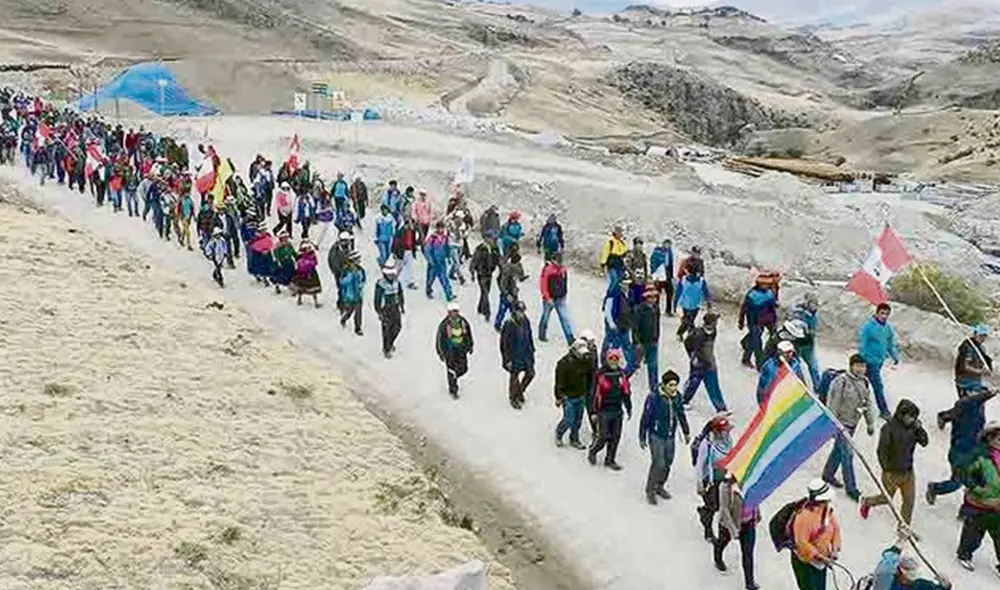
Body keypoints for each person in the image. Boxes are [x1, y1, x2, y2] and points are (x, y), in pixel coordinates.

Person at [861, 399, 929, 526]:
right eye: (911, 416)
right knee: (886, 499)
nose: (913, 420)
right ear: (902, 414)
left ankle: (904, 528)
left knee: (909, 502)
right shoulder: (888, 429)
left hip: (908, 472)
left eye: (915, 417)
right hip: (892, 473)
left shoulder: (914, 428)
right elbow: (881, 452)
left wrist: (920, 430)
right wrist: (886, 470)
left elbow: (924, 442)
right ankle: (867, 502)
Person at [929, 387, 997, 504]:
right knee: (957, 482)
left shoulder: (978, 407)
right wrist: (991, 393)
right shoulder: (964, 404)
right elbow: (974, 400)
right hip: (959, 452)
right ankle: (935, 488)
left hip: (973, 450)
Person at [821, 354, 875, 501]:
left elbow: (867, 404)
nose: (861, 369)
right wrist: (832, 425)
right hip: (841, 424)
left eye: (863, 366)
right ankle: (852, 489)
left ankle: (828, 474)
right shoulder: (841, 382)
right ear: (851, 366)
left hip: (853, 423)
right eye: (858, 365)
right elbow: (833, 403)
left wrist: (870, 423)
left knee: (839, 450)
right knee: (848, 455)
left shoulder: (865, 382)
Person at [955, 420, 1000, 573]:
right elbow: (962, 471)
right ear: (989, 438)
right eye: (998, 439)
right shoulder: (979, 455)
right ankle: (964, 555)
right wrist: (977, 488)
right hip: (979, 504)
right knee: (973, 532)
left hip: (997, 504)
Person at [639, 370, 690, 504]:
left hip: (670, 435)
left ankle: (660, 485)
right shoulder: (654, 397)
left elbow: (681, 414)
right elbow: (646, 416)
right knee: (658, 463)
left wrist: (686, 431)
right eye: (671, 385)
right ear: (664, 384)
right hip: (656, 435)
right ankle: (650, 490)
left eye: (675, 385)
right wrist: (642, 435)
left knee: (668, 462)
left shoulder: (677, 397)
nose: (673, 388)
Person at [791, 480, 842, 590]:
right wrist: (818, 556)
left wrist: (834, 549)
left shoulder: (826, 510)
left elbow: (835, 529)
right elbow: (801, 542)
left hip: (821, 562)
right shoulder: (804, 517)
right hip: (806, 563)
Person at [588, 348, 633, 471]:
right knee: (603, 436)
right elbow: (593, 394)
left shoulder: (621, 374)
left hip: (617, 410)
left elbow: (626, 392)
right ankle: (593, 451)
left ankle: (610, 459)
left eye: (616, 359)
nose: (614, 361)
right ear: (607, 360)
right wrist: (593, 411)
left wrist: (629, 407)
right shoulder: (600, 374)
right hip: (603, 410)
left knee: (615, 436)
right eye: (611, 358)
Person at [715, 473, 761, 590]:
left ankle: (749, 583)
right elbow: (724, 509)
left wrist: (757, 513)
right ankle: (717, 556)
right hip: (730, 524)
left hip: (748, 523)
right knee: (723, 542)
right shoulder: (725, 486)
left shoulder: (751, 481)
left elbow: (755, 498)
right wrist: (733, 530)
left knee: (748, 553)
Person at [871, 529, 952, 589]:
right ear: (899, 572)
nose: (907, 581)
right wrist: (899, 544)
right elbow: (888, 561)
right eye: (906, 578)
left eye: (910, 579)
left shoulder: (917, 585)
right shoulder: (886, 580)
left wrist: (945, 586)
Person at [859, 303, 901, 420]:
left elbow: (890, 344)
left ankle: (859, 405)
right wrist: (861, 359)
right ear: (877, 313)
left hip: (879, 361)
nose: (884, 316)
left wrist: (895, 356)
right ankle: (884, 411)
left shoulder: (888, 328)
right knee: (877, 386)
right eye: (882, 313)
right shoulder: (868, 327)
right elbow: (863, 343)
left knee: (863, 383)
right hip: (869, 361)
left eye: (887, 314)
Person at [696, 415, 734, 540]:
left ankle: (704, 512)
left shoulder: (728, 441)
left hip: (723, 478)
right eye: (725, 430)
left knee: (720, 505)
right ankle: (708, 530)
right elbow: (700, 464)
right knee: (712, 506)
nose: (727, 432)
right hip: (710, 480)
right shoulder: (707, 444)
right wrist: (699, 482)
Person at [554, 338, 597, 449]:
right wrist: (559, 397)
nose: (582, 355)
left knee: (578, 420)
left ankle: (574, 438)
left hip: (581, 395)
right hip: (568, 397)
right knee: (569, 419)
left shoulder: (586, 361)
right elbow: (559, 382)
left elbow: (591, 373)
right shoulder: (564, 363)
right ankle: (559, 434)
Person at [682, 312, 728, 412]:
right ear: (710, 323)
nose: (716, 323)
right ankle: (684, 400)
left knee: (713, 386)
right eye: (715, 321)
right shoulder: (698, 333)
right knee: (693, 383)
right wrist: (692, 357)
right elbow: (687, 343)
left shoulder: (713, 332)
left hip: (710, 362)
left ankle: (721, 408)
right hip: (698, 363)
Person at [500, 300, 536, 410]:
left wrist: (532, 350)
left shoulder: (526, 321)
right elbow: (504, 344)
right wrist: (507, 360)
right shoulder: (509, 324)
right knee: (514, 377)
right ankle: (513, 397)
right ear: (514, 311)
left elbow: (529, 336)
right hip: (514, 355)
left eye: (523, 311)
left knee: (530, 373)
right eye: (519, 311)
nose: (521, 314)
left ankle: (520, 391)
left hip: (525, 353)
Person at [738, 275, 779, 370]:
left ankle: (745, 350)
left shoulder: (769, 293)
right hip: (754, 322)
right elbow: (744, 309)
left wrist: (774, 321)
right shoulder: (751, 295)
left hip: (766, 320)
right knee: (757, 344)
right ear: (759, 284)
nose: (766, 286)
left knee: (754, 340)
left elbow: (772, 308)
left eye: (767, 284)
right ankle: (759, 365)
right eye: (765, 284)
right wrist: (741, 321)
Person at [436, 302, 474, 399]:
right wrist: (441, 352)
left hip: (461, 349)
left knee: (464, 368)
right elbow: (439, 339)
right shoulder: (444, 324)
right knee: (450, 368)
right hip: (450, 351)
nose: (455, 313)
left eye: (456, 311)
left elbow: (468, 333)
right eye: (453, 312)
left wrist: (470, 345)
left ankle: (455, 374)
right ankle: (453, 390)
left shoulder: (463, 322)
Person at [538, 252, 574, 345]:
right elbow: (543, 285)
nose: (560, 263)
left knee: (565, 318)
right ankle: (542, 333)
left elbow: (565, 282)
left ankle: (570, 338)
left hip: (560, 298)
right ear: (553, 260)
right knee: (545, 317)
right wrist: (547, 297)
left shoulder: (563, 269)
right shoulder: (548, 270)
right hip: (550, 298)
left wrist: (565, 293)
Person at [601, 273, 634, 372]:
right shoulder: (612, 295)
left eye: (628, 284)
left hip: (625, 325)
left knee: (626, 346)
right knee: (610, 345)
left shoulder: (629, 294)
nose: (626, 286)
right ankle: (605, 363)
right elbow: (607, 311)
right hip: (614, 326)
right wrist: (612, 324)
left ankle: (630, 366)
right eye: (624, 284)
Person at [756, 341, 805, 405]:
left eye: (791, 352)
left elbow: (801, 383)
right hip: (773, 401)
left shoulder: (796, 365)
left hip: (789, 401)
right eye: (786, 352)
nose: (789, 355)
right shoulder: (769, 366)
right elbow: (762, 386)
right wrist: (762, 403)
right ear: (779, 352)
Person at [633, 285, 661, 394]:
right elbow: (635, 327)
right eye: (650, 297)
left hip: (653, 341)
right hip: (642, 341)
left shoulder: (656, 309)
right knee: (633, 364)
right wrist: (637, 342)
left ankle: (654, 389)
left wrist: (657, 337)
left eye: (654, 297)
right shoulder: (639, 309)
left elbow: (657, 325)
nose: (653, 299)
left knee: (653, 366)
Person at [374, 263, 405, 358]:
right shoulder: (381, 283)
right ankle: (386, 349)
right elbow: (377, 299)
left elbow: (400, 293)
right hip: (386, 309)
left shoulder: (397, 282)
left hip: (395, 308)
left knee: (398, 327)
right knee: (386, 330)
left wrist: (402, 305)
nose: (391, 276)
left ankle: (390, 343)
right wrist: (379, 311)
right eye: (389, 274)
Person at [792, 293, 822, 387]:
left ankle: (818, 386)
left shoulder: (814, 315)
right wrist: (807, 331)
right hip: (799, 344)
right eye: (812, 303)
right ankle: (799, 386)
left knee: (814, 366)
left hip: (809, 344)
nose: (815, 306)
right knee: (796, 366)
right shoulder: (799, 313)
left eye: (816, 303)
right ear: (807, 303)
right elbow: (797, 328)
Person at [470, 232, 501, 321]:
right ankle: (487, 312)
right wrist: (472, 272)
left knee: (485, 292)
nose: (492, 240)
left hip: (489, 273)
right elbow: (474, 261)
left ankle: (480, 308)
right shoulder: (480, 248)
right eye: (491, 238)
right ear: (486, 238)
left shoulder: (495, 248)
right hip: (481, 273)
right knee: (485, 292)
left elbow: (498, 259)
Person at [674, 269, 711, 341]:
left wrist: (675, 304)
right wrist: (708, 302)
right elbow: (706, 293)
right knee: (688, 320)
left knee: (688, 320)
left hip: (689, 304)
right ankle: (689, 334)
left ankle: (683, 333)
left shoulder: (685, 280)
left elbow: (678, 292)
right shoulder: (700, 281)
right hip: (692, 304)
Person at [494, 250, 525, 331]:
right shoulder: (507, 270)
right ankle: (497, 324)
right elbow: (502, 284)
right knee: (502, 310)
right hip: (507, 294)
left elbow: (519, 278)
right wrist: (507, 294)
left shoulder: (516, 268)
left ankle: (514, 324)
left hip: (514, 293)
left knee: (514, 309)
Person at [424, 221, 455, 301]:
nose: (441, 230)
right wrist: (430, 260)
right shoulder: (432, 238)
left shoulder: (445, 238)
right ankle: (428, 290)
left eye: (442, 228)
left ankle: (449, 294)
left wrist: (449, 256)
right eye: (440, 228)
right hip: (433, 261)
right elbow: (427, 250)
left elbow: (448, 248)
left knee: (444, 278)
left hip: (441, 261)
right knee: (431, 278)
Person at [338, 251, 366, 335]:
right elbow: (342, 282)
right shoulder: (346, 270)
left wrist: (361, 285)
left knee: (358, 312)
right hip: (349, 295)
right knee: (350, 310)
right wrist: (350, 277)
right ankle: (344, 319)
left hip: (358, 294)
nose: (358, 262)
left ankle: (358, 328)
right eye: (357, 260)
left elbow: (364, 279)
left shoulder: (360, 270)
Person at [391, 217, 420, 290]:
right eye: (410, 224)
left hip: (409, 251)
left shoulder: (412, 231)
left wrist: (414, 248)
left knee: (410, 268)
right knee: (398, 268)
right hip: (401, 251)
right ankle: (393, 282)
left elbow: (416, 240)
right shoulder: (400, 232)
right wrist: (394, 252)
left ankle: (410, 282)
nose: (412, 226)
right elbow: (395, 242)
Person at [292, 241, 322, 307]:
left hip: (311, 272)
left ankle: (316, 302)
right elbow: (299, 264)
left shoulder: (312, 254)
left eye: (309, 248)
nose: (309, 249)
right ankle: (299, 299)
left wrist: (311, 263)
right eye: (307, 248)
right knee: (301, 287)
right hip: (303, 273)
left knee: (314, 288)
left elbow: (315, 262)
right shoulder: (300, 256)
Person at [649, 238, 674, 315]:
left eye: (669, 245)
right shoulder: (657, 252)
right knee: (657, 291)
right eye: (666, 244)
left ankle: (668, 310)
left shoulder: (670, 252)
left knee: (670, 291)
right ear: (663, 244)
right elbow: (653, 262)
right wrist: (654, 273)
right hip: (659, 273)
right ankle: (656, 308)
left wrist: (671, 275)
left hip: (667, 273)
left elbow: (671, 264)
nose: (668, 246)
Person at [270, 230, 296, 294]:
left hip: (289, 262)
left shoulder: (289, 244)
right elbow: (276, 255)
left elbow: (293, 252)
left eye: (287, 237)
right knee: (282, 276)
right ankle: (277, 286)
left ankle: (292, 287)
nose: (286, 239)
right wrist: (278, 261)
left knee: (292, 276)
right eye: (284, 237)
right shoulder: (278, 246)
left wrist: (297, 257)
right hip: (282, 263)